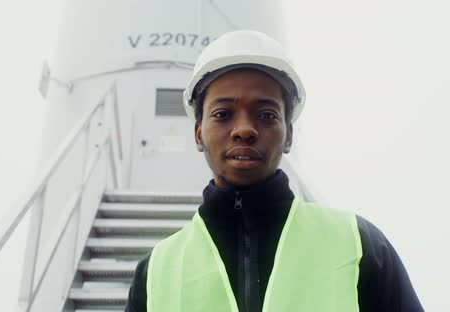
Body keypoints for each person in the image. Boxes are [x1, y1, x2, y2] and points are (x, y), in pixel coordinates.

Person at [125, 30, 423, 312]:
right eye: (223, 114)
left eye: (266, 115)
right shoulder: (155, 273)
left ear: (289, 134)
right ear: (198, 133)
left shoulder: (360, 247)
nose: (244, 129)